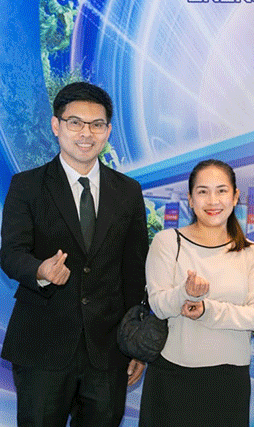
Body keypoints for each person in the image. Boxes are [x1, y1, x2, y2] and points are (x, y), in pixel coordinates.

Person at [0, 82, 149, 426]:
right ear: (56, 125)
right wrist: (40, 270)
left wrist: (135, 343)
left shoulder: (128, 192)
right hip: (42, 346)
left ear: (107, 131)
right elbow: (11, 253)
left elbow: (134, 271)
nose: (86, 133)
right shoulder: (27, 186)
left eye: (97, 124)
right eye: (75, 122)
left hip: (108, 351)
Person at [139, 159, 254, 427]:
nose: (213, 201)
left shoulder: (252, 252)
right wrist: (184, 293)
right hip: (172, 377)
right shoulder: (168, 241)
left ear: (235, 197)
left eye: (221, 191)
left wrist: (207, 310)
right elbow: (159, 305)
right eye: (203, 191)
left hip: (229, 382)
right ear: (190, 199)